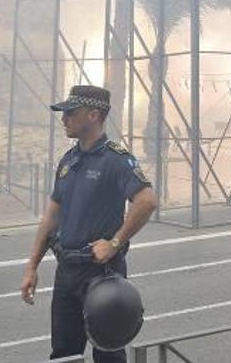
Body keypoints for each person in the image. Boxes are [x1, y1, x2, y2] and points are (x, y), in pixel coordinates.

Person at [19, 85, 158, 362]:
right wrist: (32, 267)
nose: (64, 119)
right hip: (67, 271)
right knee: (63, 354)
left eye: (71, 112)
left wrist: (115, 243)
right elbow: (52, 216)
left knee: (108, 352)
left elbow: (147, 201)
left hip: (101, 273)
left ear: (93, 115)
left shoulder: (116, 160)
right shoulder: (69, 161)